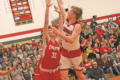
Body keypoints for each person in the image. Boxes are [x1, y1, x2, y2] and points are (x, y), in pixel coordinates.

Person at [51, 0, 85, 80]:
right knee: (63, 77)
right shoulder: (66, 17)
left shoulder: (77, 26)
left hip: (75, 53)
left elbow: (71, 40)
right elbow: (61, 4)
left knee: (79, 74)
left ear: (74, 15)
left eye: (70, 11)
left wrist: (58, 33)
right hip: (65, 53)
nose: (68, 11)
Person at [34, 0, 62, 80]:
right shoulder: (46, 41)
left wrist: (60, 14)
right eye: (49, 30)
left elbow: (60, 27)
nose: (50, 30)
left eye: (51, 29)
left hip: (56, 72)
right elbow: (46, 23)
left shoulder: (58, 41)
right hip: (45, 73)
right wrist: (47, 7)